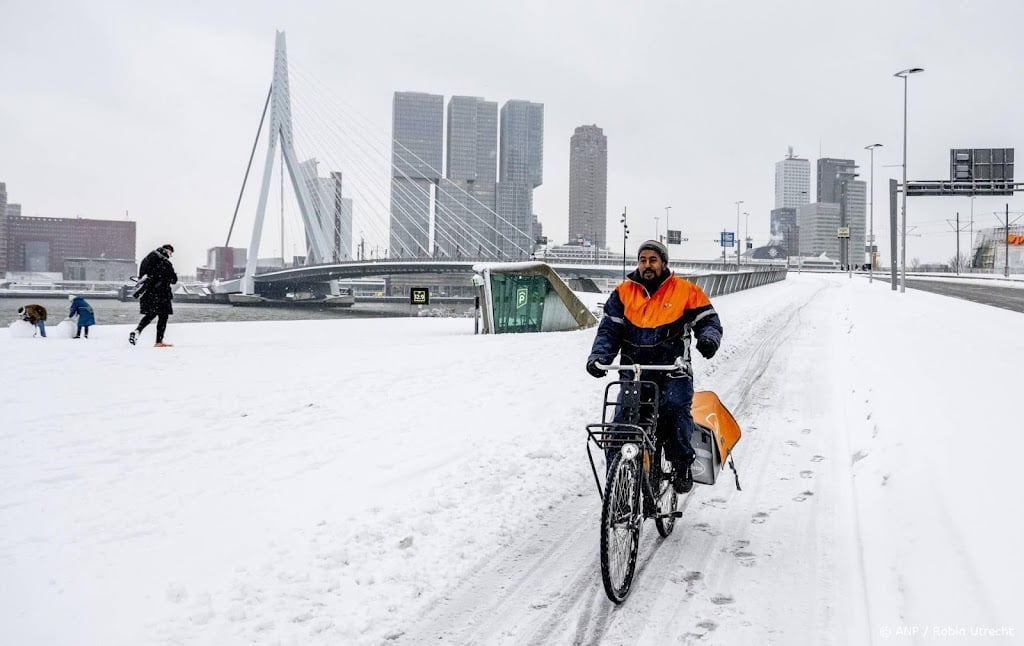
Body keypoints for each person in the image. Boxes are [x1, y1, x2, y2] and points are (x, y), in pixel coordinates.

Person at [586, 240, 723, 494]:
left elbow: (709, 321)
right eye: (642, 260)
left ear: (664, 263)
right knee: (620, 428)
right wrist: (599, 356)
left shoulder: (685, 291)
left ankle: (681, 466)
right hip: (635, 373)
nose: (647, 265)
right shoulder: (623, 293)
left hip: (672, 371)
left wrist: (708, 339)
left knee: (674, 410)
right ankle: (617, 489)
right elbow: (609, 330)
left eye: (653, 260)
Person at [129, 244, 178, 347]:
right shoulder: (165, 262)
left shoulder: (148, 259)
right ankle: (159, 341)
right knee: (163, 316)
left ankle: (137, 331)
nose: (170, 255)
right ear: (166, 251)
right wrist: (171, 276)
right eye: (170, 253)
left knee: (151, 314)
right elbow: (174, 280)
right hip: (162, 294)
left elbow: (143, 276)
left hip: (149, 293)